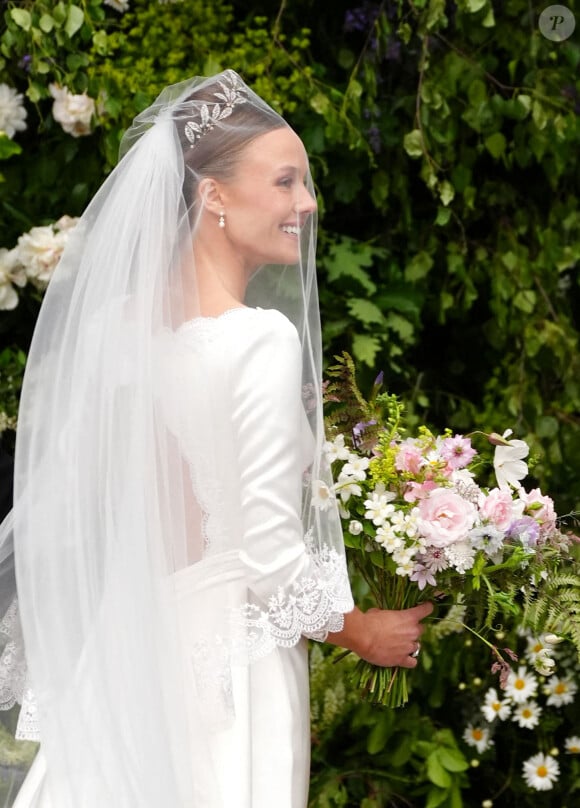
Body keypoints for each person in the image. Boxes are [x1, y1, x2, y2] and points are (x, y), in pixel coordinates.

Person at [0, 70, 431, 808]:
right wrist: (363, 630)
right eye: (287, 181)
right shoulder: (258, 340)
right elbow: (267, 552)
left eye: (306, 183)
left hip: (131, 655)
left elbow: (82, 509)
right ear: (215, 196)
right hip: (231, 674)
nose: (307, 203)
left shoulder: (112, 334)